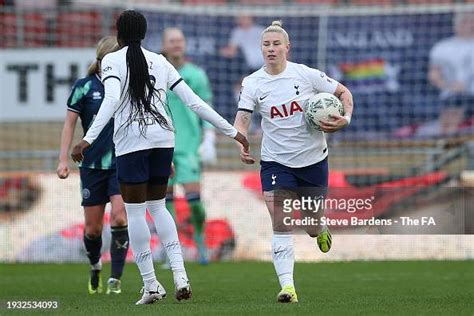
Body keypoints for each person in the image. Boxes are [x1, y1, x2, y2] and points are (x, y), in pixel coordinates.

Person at [71, 10, 249, 305]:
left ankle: (151, 284)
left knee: (137, 212)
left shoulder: (112, 61)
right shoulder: (160, 60)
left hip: (132, 143)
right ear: (144, 33)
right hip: (163, 140)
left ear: (119, 33)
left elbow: (112, 100)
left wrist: (87, 139)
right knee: (159, 207)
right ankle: (180, 276)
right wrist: (233, 132)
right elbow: (194, 102)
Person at [233, 21, 353, 303]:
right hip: (276, 162)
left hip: (313, 161)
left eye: (276, 44)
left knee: (310, 224)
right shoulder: (252, 82)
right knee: (281, 220)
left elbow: (344, 93)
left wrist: (345, 118)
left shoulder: (307, 75)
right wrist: (241, 140)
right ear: (261, 48)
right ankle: (288, 287)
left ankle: (319, 228)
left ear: (287, 48)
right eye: (266, 44)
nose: (271, 49)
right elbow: (243, 116)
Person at [57, 36, 129, 295]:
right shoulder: (85, 87)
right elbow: (69, 124)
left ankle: (115, 280)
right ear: (102, 60)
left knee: (120, 217)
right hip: (91, 167)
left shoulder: (126, 86)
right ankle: (96, 265)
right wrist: (63, 159)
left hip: (122, 164)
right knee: (93, 228)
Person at [161, 27, 215, 265]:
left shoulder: (197, 75)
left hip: (189, 148)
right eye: (172, 41)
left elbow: (206, 108)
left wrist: (209, 138)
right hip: (162, 147)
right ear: (164, 45)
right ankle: (174, 252)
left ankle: (200, 241)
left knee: (195, 203)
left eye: (180, 41)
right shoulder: (157, 72)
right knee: (166, 205)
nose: (176, 45)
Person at [428, 12, 474, 135]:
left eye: (470, 21)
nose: (468, 25)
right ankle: (445, 146)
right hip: (454, 95)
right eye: (464, 22)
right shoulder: (443, 47)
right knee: (452, 113)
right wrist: (450, 86)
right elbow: (434, 76)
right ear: (455, 25)